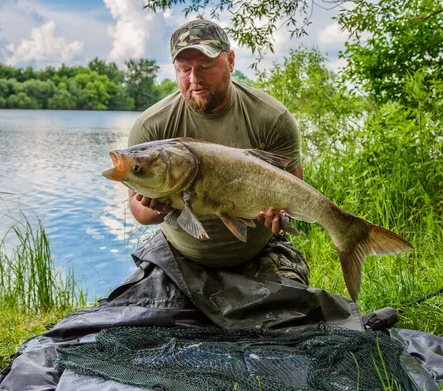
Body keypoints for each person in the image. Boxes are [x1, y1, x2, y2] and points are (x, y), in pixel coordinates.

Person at [127, 18, 309, 284]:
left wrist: (281, 216)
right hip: (179, 255)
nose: (194, 79)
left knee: (292, 317)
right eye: (184, 69)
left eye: (205, 66)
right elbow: (137, 207)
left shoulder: (271, 117)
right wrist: (157, 209)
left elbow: (295, 189)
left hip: (259, 253)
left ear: (231, 61)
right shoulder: (152, 126)